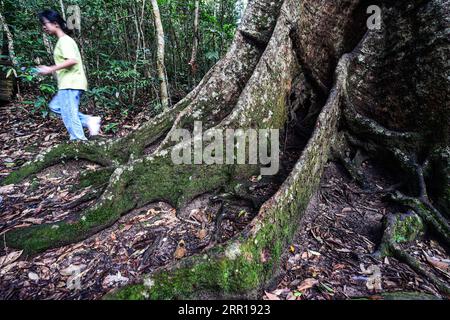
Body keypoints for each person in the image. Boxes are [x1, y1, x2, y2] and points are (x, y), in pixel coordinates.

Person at [37, 9, 100, 141]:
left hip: (70, 83)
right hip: (68, 83)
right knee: (55, 106)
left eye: (45, 23)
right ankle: (89, 120)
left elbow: (72, 60)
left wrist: (50, 69)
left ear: (55, 23)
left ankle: (78, 141)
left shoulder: (65, 41)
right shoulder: (62, 41)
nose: (44, 27)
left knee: (69, 115)